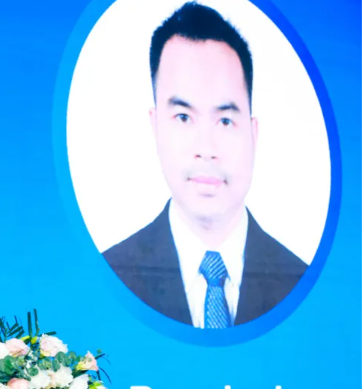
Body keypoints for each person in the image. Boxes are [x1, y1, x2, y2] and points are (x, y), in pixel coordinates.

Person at [102, 1, 307, 329]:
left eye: (225, 121)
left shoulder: (304, 285)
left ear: (253, 133)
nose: (206, 149)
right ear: (155, 126)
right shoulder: (107, 279)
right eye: (183, 117)